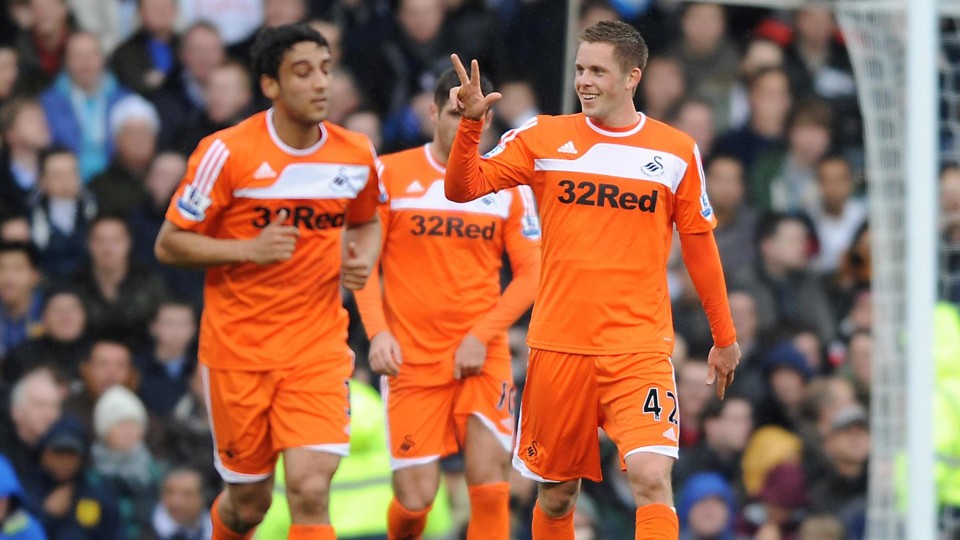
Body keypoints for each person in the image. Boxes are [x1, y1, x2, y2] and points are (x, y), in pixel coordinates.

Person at [444, 20, 741, 539]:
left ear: (632, 76)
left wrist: (724, 338)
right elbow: (463, 189)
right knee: (557, 495)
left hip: (638, 348)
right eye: (580, 69)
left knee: (651, 475)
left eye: (598, 71)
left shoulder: (673, 151)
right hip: (560, 347)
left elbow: (699, 248)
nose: (584, 81)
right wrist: (470, 126)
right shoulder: (542, 136)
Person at [154, 23, 382, 540]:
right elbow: (168, 242)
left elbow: (368, 220)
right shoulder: (227, 153)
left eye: (326, 69)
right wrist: (246, 250)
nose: (320, 83)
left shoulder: (355, 154)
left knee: (308, 489)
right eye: (302, 73)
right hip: (239, 353)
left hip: (317, 349)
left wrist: (361, 258)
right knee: (249, 505)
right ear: (270, 86)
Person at [353, 68, 541, 540]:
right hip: (411, 359)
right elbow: (363, 265)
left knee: (491, 482)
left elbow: (534, 273)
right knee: (416, 502)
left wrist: (481, 335)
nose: (464, 124)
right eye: (456, 113)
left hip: (482, 357)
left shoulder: (508, 187)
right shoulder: (389, 175)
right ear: (434, 112)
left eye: (475, 116)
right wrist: (377, 333)